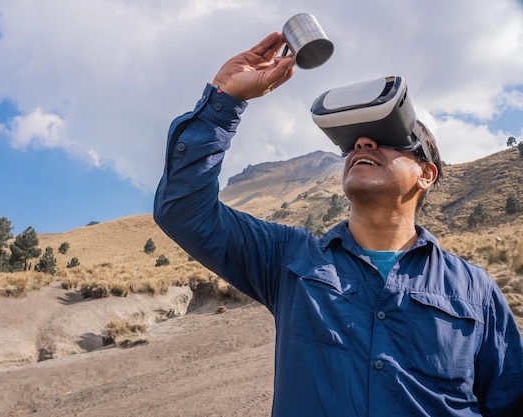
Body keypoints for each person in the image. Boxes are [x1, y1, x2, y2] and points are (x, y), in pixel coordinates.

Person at [153, 32, 523, 416]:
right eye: (353, 143)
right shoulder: (289, 259)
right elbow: (183, 211)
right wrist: (224, 100)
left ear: (426, 174)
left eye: (386, 138)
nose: (362, 144)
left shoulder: (475, 291)